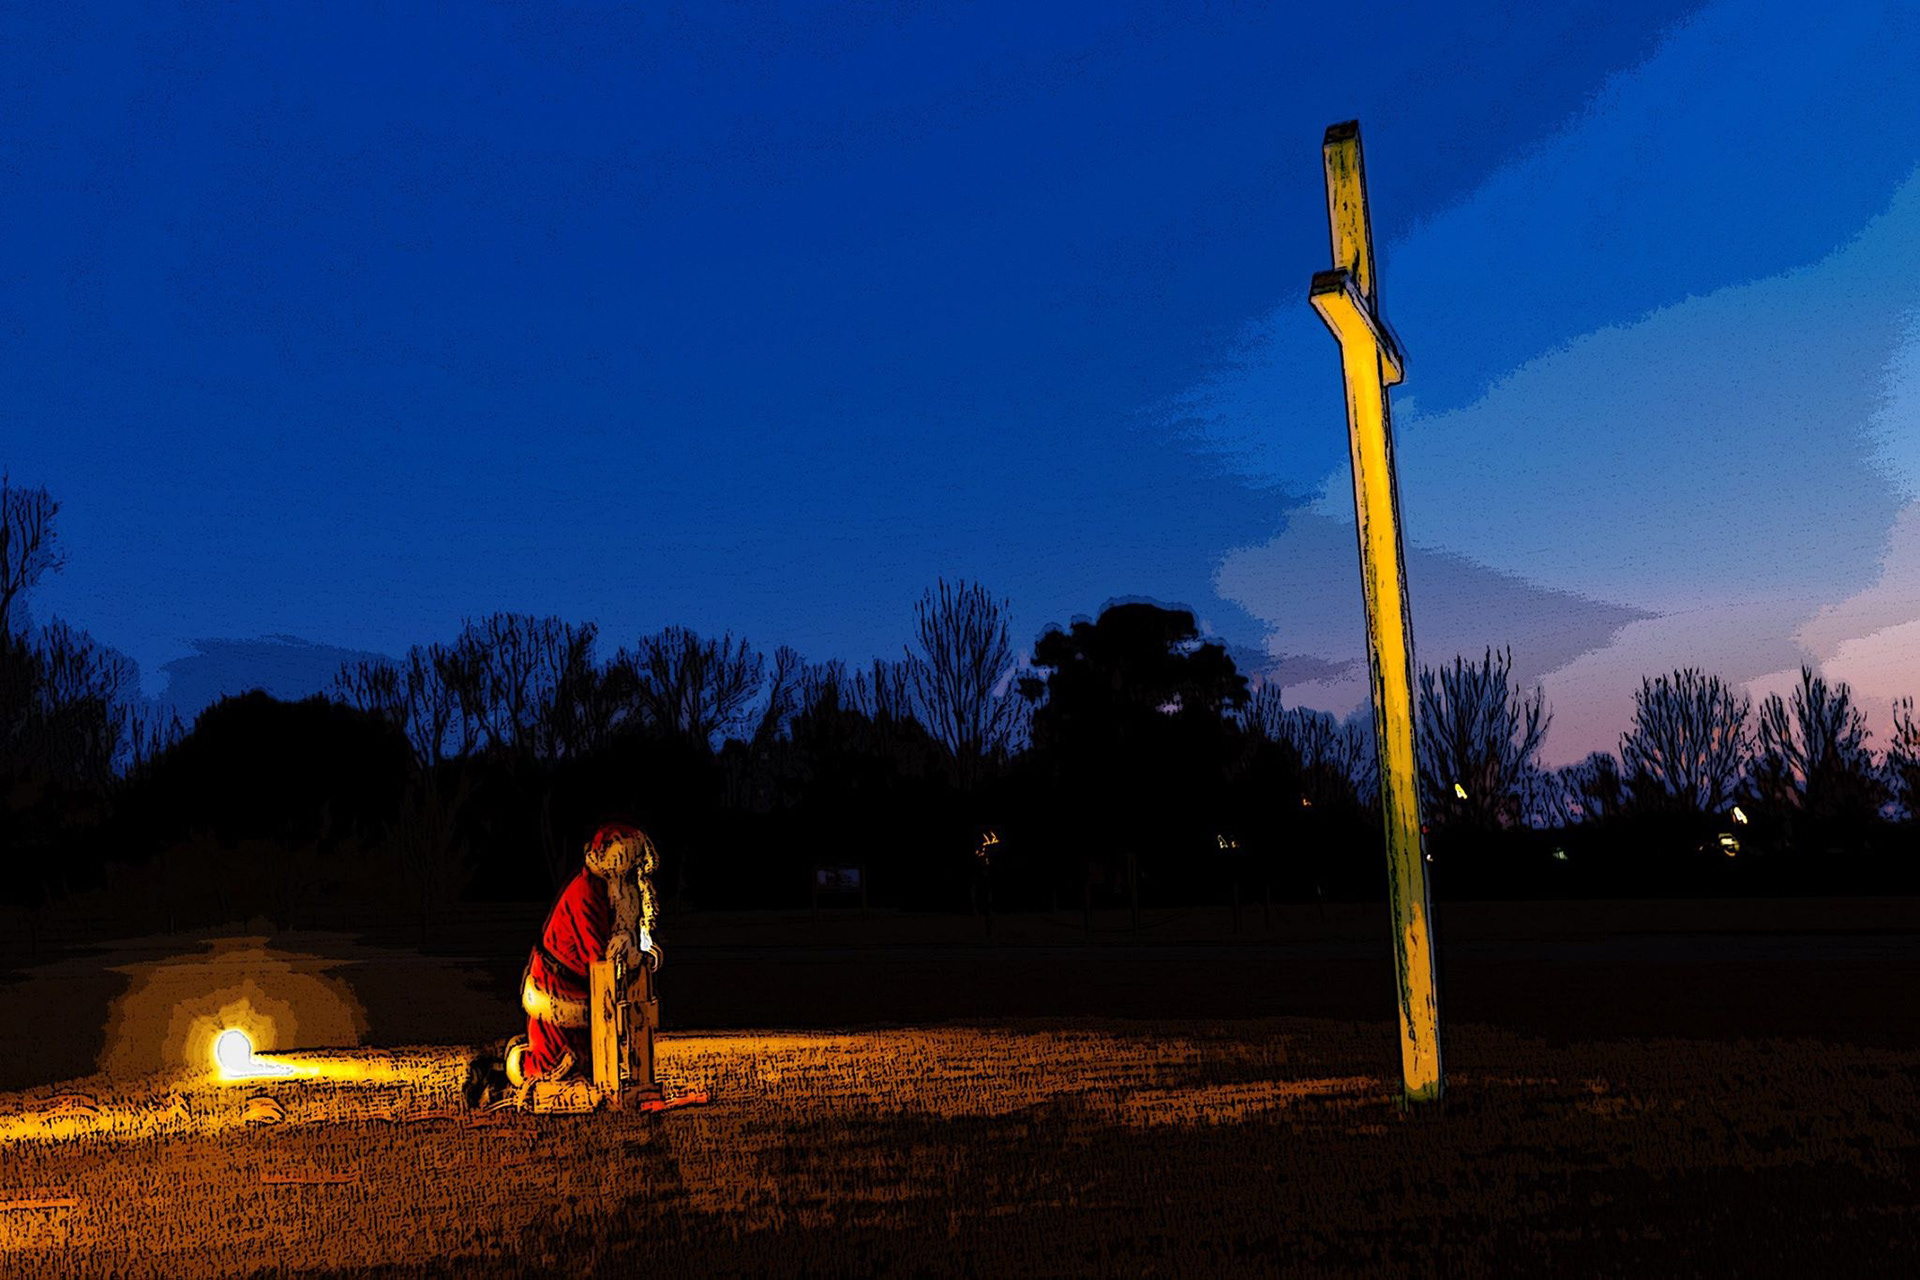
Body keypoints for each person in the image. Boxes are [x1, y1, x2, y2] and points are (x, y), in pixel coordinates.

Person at [464, 822, 661, 1107]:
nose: (630, 876)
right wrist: (623, 961)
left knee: (587, 1061)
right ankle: (500, 1069)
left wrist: (639, 952)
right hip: (558, 988)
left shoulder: (615, 894)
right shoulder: (586, 894)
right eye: (625, 868)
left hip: (586, 991)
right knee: (554, 1066)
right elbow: (596, 960)